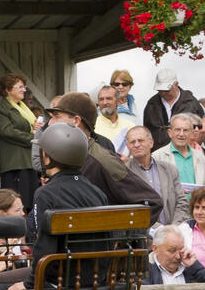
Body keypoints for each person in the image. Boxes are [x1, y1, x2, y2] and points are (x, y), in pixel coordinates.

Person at [0, 124, 108, 290]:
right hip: (95, 278)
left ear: (48, 157)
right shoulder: (96, 192)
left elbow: (44, 248)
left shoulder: (45, 193)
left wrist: (30, 284)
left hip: (62, 280)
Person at [45, 91, 165, 220]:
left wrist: (116, 236)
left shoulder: (102, 160)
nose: (50, 123)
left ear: (76, 121)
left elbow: (151, 203)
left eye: (56, 116)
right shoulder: (62, 157)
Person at [124, 124, 187, 226]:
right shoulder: (124, 174)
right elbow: (129, 209)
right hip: (144, 237)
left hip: (174, 232)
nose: (136, 145)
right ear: (127, 147)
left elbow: (182, 202)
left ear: (151, 143)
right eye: (132, 142)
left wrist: (174, 228)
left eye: (140, 140)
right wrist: (158, 230)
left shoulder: (170, 170)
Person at [0, 74, 38, 206]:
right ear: (8, 90)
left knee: (31, 202)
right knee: (19, 203)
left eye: (24, 86)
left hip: (28, 161)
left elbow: (25, 127)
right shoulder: (2, 108)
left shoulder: (22, 108)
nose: (24, 90)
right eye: (20, 87)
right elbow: (7, 131)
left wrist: (35, 128)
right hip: (14, 164)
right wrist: (33, 138)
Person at [142, 69, 204, 149]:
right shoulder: (151, 105)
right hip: (158, 155)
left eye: (166, 90)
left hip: (187, 153)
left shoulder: (192, 103)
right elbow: (147, 132)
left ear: (176, 84)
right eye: (160, 90)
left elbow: (203, 131)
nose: (163, 93)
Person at [158, 113, 205, 189]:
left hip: (195, 200)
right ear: (170, 133)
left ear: (191, 133)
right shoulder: (158, 157)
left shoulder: (200, 156)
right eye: (177, 130)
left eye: (185, 130)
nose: (181, 134)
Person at [94, 84, 137, 150]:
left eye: (109, 98)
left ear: (118, 101)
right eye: (101, 99)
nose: (105, 102)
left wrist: (129, 160)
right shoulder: (92, 127)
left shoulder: (130, 127)